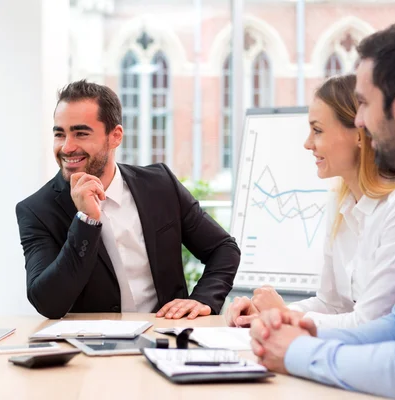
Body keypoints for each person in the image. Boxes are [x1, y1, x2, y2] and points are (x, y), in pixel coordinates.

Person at [250, 21, 395, 399]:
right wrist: (293, 325)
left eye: (363, 104)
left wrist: (296, 347)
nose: (360, 120)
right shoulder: (362, 200)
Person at [16, 80, 240, 319]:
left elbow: (223, 249)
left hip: (165, 337)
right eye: (60, 134)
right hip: (93, 346)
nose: (67, 147)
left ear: (115, 136)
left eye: (81, 133)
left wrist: (203, 299)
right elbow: (48, 302)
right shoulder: (37, 209)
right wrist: (85, 222)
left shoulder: (160, 185)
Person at [225, 75, 395, 330]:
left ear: (360, 134)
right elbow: (332, 305)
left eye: (317, 130)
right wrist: (266, 314)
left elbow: (372, 323)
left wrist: (284, 315)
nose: (307, 144)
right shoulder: (341, 203)